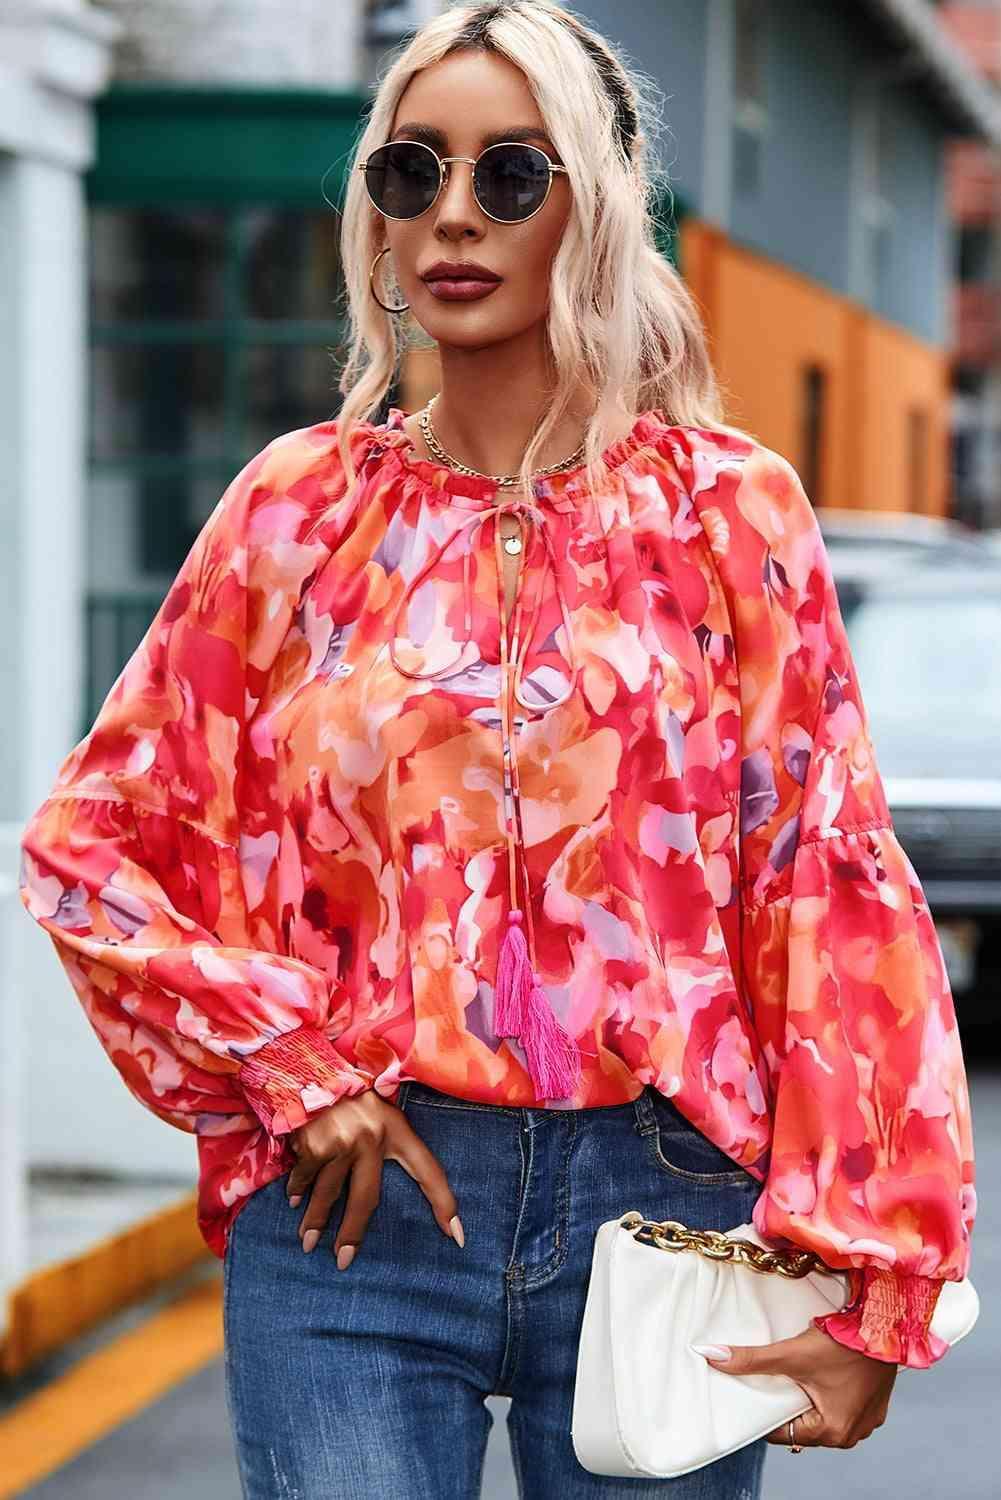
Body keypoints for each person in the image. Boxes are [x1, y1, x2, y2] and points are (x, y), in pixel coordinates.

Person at [18, 3, 975, 1497]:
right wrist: (290, 1062)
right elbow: (90, 846)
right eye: (412, 173)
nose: (452, 215)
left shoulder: (731, 515)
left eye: (509, 175)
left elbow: (823, 884)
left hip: (663, 1202)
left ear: (592, 206)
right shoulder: (298, 513)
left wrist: (877, 1277)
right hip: (355, 1212)